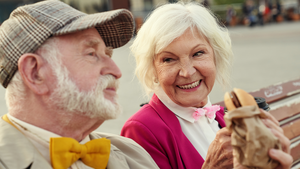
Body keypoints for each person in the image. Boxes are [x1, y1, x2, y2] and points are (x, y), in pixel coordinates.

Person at [121, 2, 293, 169]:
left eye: (198, 53)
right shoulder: (140, 130)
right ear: (152, 69)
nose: (187, 72)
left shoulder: (220, 116)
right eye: (169, 59)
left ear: (215, 56)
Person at [0, 1, 159, 169]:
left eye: (107, 54)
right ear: (35, 73)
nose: (116, 71)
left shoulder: (133, 154)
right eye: (91, 54)